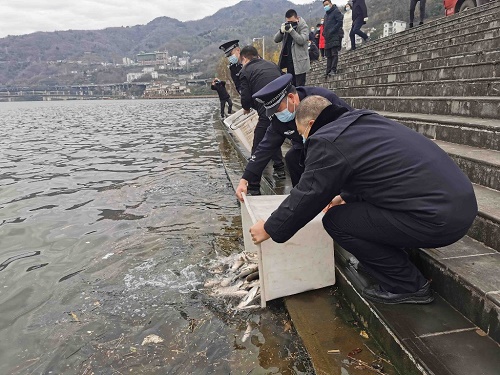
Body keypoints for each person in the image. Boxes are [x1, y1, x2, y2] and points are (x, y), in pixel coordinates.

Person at [249, 95, 478, 305]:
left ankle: (409, 286)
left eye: (301, 133)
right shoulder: (362, 120)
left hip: (436, 219)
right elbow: (378, 172)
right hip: (459, 206)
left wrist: (269, 228)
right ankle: (389, 262)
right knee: (354, 209)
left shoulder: (327, 140)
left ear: (310, 124)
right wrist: (344, 196)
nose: (303, 139)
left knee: (336, 221)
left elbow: (308, 195)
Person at [235, 73, 353, 201]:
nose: (277, 114)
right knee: (292, 158)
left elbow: (351, 124)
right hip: (305, 148)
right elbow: (265, 148)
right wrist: (245, 179)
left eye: (278, 109)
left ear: (291, 98)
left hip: (337, 146)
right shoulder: (279, 119)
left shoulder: (323, 99)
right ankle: (303, 199)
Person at [239, 45, 286, 194]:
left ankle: (253, 187)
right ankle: (280, 169)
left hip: (268, 108)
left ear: (244, 58)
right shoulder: (271, 64)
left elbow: (245, 99)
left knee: (259, 145)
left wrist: (247, 108)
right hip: (286, 105)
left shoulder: (245, 70)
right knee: (273, 134)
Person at [274, 9, 311, 87]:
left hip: (300, 62)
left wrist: (292, 31)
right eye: (288, 22)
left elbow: (301, 40)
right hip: (289, 61)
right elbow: (276, 39)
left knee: (300, 87)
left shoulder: (303, 26)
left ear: (297, 18)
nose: (290, 24)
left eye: (292, 22)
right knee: (291, 86)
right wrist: (281, 31)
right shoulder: (286, 27)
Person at [322, 0, 344, 78]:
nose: (325, 6)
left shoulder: (336, 11)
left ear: (331, 4)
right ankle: (328, 71)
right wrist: (323, 33)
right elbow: (325, 25)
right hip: (327, 37)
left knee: (334, 54)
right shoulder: (326, 15)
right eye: (324, 5)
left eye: (327, 4)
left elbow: (340, 22)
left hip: (335, 35)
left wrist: (332, 30)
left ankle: (333, 69)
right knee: (328, 55)